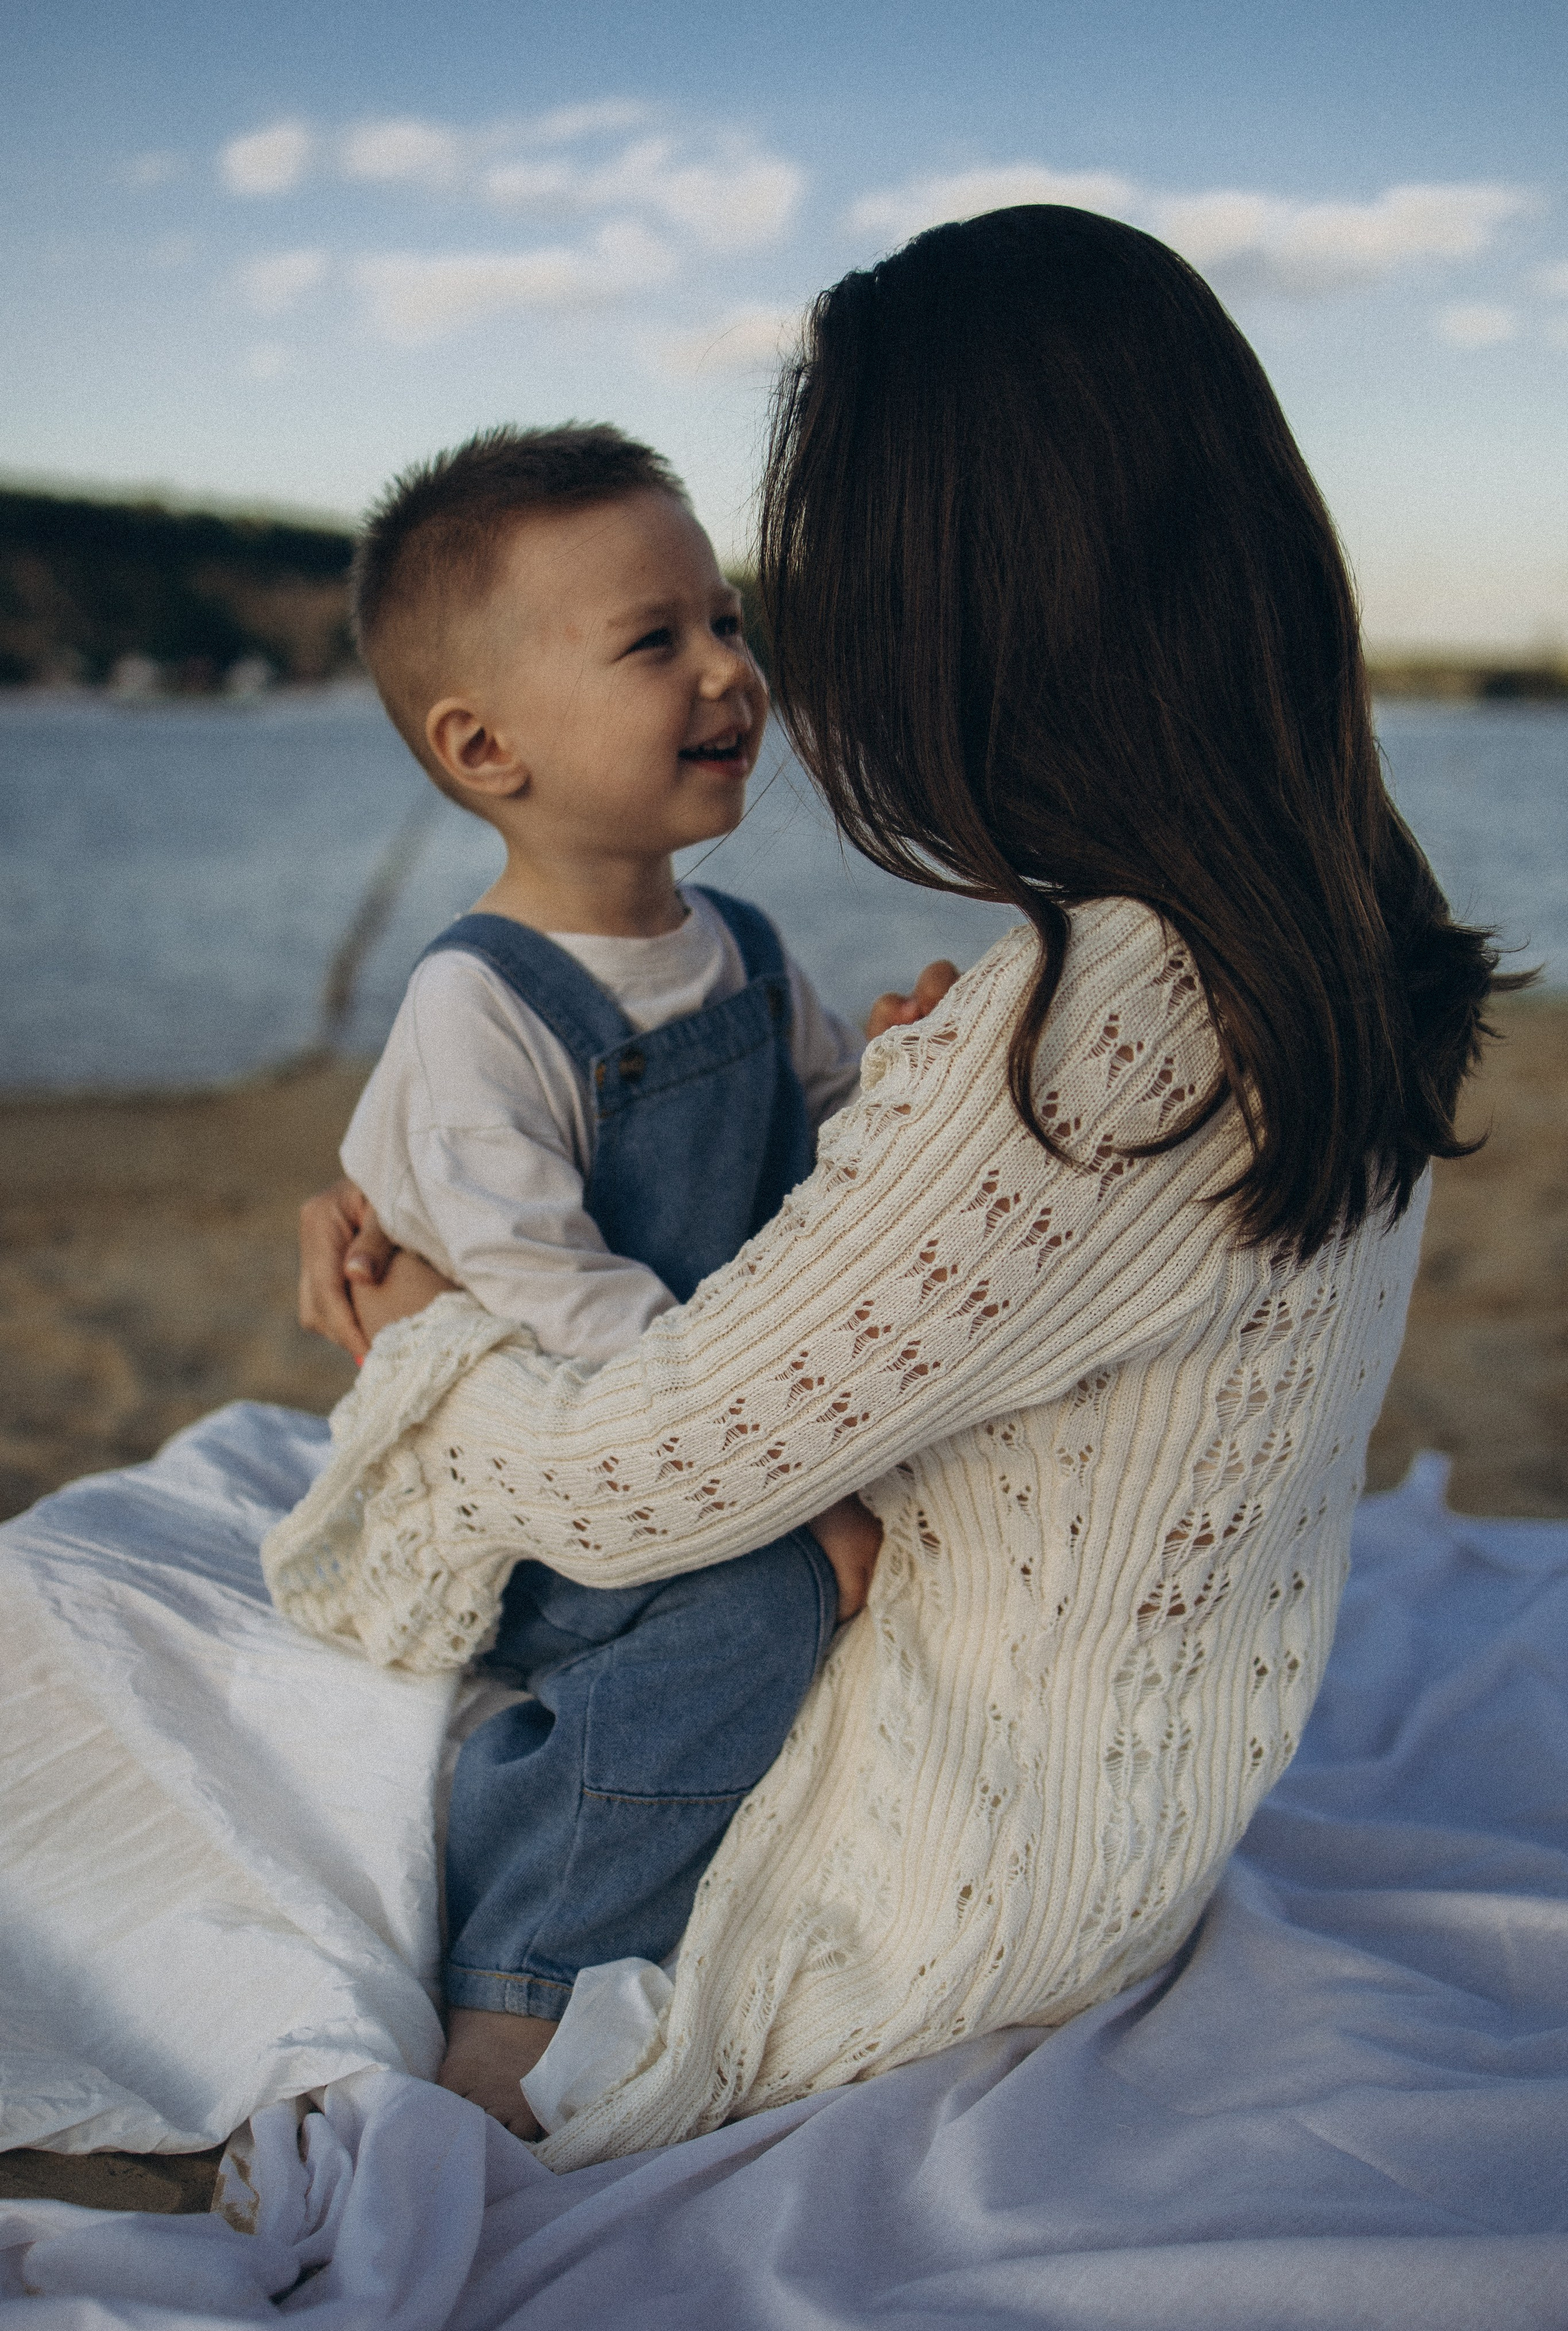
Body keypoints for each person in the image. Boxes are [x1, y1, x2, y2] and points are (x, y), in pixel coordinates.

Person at [276, 205, 1514, 2171]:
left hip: (930, 1886)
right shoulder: (1324, 924)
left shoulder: (1095, 1032)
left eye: (796, 588)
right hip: (1128, 1823)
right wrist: (926, 1115)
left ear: (982, 598)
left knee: (147, 1624)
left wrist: (415, 1335)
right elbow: (972, 1278)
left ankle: (511, 2014)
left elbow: (638, 1478)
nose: (773, 658)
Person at [309, 424, 920, 2133]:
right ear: (483, 745)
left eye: (726, 622)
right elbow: (568, 1309)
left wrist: (904, 1079)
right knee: (754, 1610)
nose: (729, 670)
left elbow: (833, 1161)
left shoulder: (745, 953)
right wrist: (802, 1497)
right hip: (546, 1483)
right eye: (657, 641)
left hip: (708, 1433)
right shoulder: (480, 1011)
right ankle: (518, 1978)